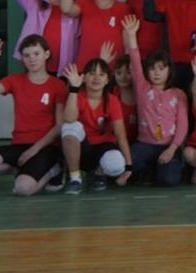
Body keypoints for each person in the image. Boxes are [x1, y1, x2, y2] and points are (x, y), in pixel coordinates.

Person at [0, 36, 66, 196]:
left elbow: (59, 126)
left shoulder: (57, 85)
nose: (32, 59)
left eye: (36, 53)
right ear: (22, 59)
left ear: (46, 54)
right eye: (26, 55)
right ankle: (21, 169)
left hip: (45, 147)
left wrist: (33, 150)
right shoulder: (14, 80)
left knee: (23, 188)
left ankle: (55, 170)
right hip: (19, 144)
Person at [121, 16, 188, 187]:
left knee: (169, 180)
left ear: (169, 70)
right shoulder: (142, 88)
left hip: (169, 146)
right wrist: (131, 36)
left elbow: (183, 125)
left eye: (161, 68)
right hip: (145, 144)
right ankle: (148, 170)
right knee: (122, 164)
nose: (156, 73)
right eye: (152, 69)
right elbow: (135, 62)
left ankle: (162, 168)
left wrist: (172, 149)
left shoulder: (178, 94)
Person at [60, 60, 133, 194]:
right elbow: (69, 119)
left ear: (107, 80)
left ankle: (98, 172)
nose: (96, 78)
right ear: (84, 78)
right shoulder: (78, 96)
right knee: (69, 127)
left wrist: (128, 166)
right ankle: (75, 179)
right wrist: (74, 89)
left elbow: (120, 134)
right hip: (82, 148)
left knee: (117, 165)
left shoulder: (112, 100)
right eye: (92, 73)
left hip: (103, 147)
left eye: (101, 74)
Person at [61, 0, 131, 68]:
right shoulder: (85, 4)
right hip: (86, 67)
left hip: (114, 69)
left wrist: (126, 65)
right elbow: (66, 8)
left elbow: (128, 41)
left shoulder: (123, 8)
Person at [110, 54, 138, 142]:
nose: (123, 77)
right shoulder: (112, 93)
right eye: (119, 73)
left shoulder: (142, 95)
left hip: (138, 143)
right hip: (114, 142)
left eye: (128, 72)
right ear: (114, 74)